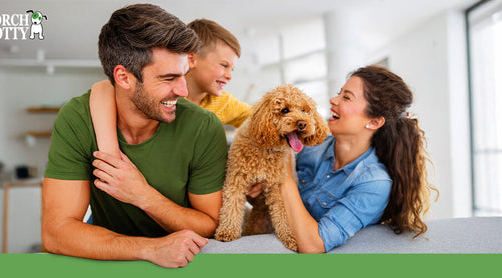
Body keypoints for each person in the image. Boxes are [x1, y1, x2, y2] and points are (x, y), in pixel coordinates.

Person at [41, 4, 228, 268]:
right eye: (168, 78)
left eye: (184, 75)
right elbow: (56, 233)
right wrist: (150, 249)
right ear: (123, 77)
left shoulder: (202, 126)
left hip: (188, 262)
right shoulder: (77, 119)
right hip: (108, 259)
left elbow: (210, 224)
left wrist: (142, 195)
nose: (184, 90)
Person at [276, 65, 438, 253]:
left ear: (374, 121)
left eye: (346, 97)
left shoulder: (374, 183)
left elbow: (314, 244)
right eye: (339, 93)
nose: (333, 100)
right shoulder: (313, 146)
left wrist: (283, 173)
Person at [90, 18, 251, 158]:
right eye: (224, 65)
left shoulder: (225, 104)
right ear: (191, 59)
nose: (229, 75)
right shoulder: (161, 96)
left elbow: (263, 119)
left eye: (232, 69)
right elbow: (102, 89)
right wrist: (110, 151)